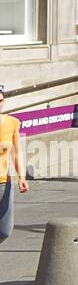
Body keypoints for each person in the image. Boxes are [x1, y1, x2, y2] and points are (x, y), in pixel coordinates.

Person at [0, 86, 28, 244]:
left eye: (0, 101)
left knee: (4, 230)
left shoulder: (12, 122)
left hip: (4, 182)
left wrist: (21, 176)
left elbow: (17, 152)